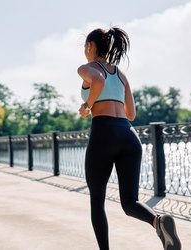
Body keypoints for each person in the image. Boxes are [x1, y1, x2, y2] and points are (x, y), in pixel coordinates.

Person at [77, 27, 181, 250]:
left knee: (97, 200)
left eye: (85, 46)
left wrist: (87, 105)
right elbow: (131, 113)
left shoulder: (86, 68)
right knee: (130, 202)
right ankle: (158, 221)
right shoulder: (121, 75)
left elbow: (98, 81)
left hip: (104, 133)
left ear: (90, 47)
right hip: (128, 136)